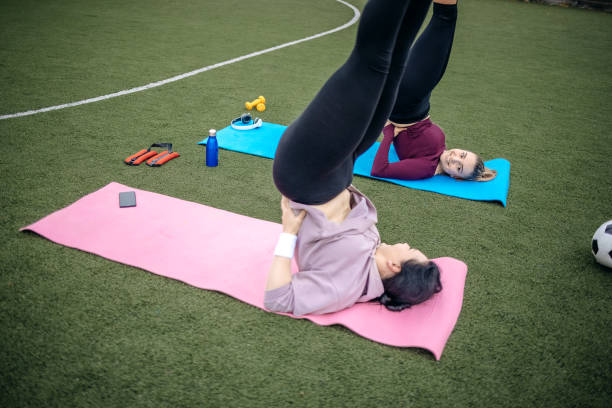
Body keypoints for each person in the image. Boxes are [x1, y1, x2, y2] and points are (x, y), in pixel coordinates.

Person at [264, 0, 442, 317]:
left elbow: (279, 300)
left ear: (395, 265)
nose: (405, 242)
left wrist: (288, 234)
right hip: (339, 167)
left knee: (370, 63)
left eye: (410, 249)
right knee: (394, 67)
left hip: (306, 170)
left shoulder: (346, 286)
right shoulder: (372, 260)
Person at [371, 1, 497, 182]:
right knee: (445, 21)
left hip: (406, 102)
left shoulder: (426, 168)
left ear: (456, 176)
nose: (454, 157)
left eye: (459, 167)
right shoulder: (440, 151)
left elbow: (379, 170)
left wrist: (388, 133)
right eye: (462, 154)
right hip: (417, 98)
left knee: (445, 19)